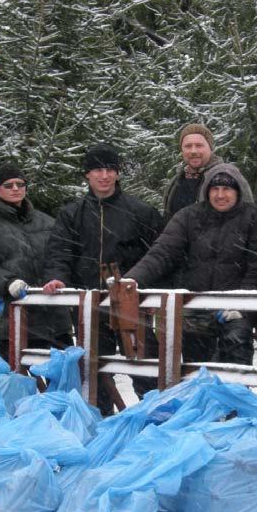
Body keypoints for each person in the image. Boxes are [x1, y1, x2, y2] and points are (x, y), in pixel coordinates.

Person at [41, 143, 165, 415]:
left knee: (144, 364)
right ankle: (102, 421)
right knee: (94, 368)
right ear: (87, 174)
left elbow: (159, 255)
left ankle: (156, 417)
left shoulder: (141, 212)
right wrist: (57, 278)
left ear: (118, 174)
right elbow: (59, 252)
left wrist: (153, 293)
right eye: (97, 170)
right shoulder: (72, 214)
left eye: (110, 169)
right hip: (89, 304)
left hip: (132, 302)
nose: (104, 176)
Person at [127, 163, 257, 366]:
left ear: (238, 190)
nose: (220, 195)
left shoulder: (255, 217)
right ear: (207, 190)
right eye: (215, 188)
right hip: (196, 304)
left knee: (235, 360)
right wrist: (133, 279)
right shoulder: (189, 216)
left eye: (227, 189)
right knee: (196, 368)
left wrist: (241, 303)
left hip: (235, 307)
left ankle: (235, 395)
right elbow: (162, 252)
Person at [0, 162, 71, 361]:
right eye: (8, 185)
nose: (15, 189)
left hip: (54, 318)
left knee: (64, 379)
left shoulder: (46, 222)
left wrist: (58, 278)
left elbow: (62, 256)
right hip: (12, 319)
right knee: (20, 382)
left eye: (20, 184)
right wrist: (8, 282)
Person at [161, 123, 253, 220]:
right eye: (188, 146)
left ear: (210, 148)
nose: (193, 151)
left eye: (199, 145)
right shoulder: (175, 182)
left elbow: (247, 220)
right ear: (182, 150)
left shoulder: (229, 177)